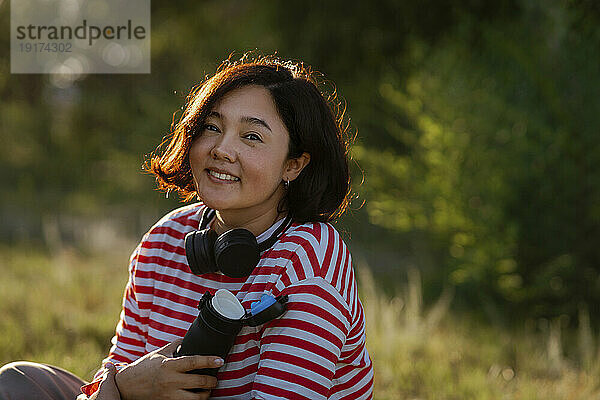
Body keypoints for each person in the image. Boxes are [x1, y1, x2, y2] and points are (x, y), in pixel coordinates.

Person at [0, 54, 373, 400]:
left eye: (252, 136)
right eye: (211, 127)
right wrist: (126, 383)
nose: (221, 149)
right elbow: (115, 373)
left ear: (294, 164)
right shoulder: (165, 239)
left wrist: (122, 388)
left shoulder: (310, 263)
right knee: (17, 381)